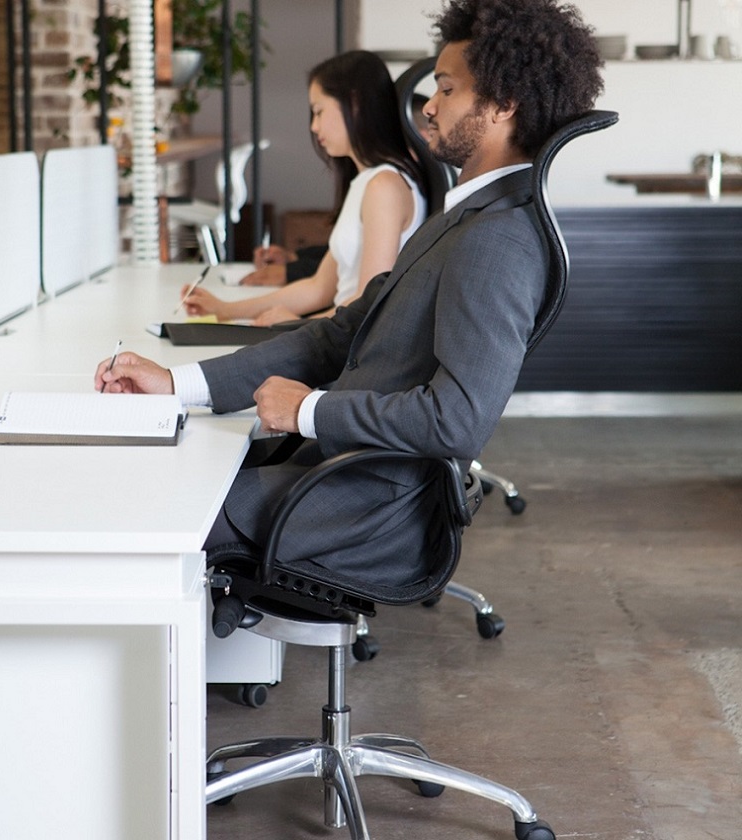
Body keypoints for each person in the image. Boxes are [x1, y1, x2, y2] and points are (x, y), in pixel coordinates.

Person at [96, 0, 603, 586]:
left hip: (365, 504)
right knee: (158, 480)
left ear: (504, 103)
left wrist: (307, 410)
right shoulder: (462, 217)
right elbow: (336, 335)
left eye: (446, 90)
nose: (428, 108)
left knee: (149, 510)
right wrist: (178, 385)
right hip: (339, 474)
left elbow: (457, 421)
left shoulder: (499, 240)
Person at [181, 49, 427, 326]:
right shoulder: (367, 182)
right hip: (337, 336)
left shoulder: (385, 186)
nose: (314, 126)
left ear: (354, 103)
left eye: (319, 112)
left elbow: (368, 304)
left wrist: (295, 325)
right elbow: (318, 288)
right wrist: (227, 309)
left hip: (349, 349)